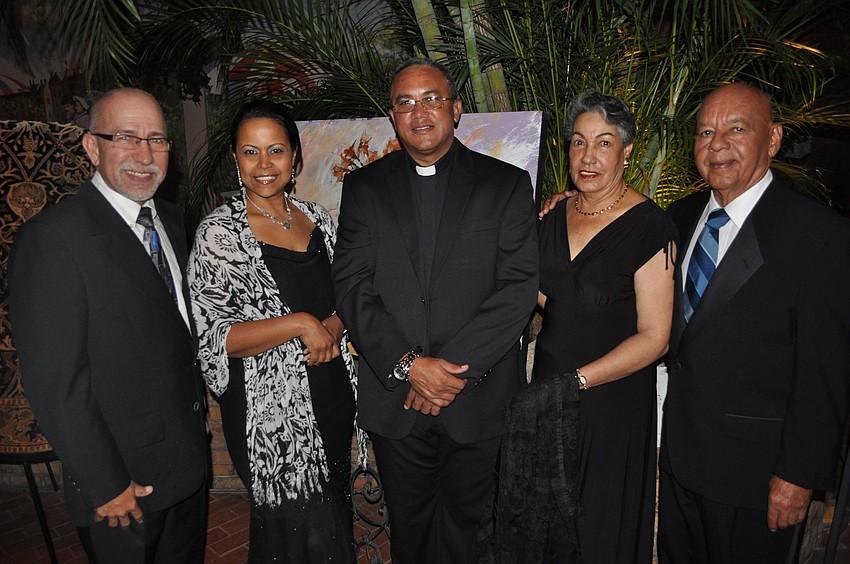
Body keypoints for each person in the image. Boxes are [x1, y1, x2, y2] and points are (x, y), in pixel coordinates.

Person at [331, 58, 539, 563]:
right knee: (411, 533)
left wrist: (447, 373)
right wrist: (411, 367)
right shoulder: (364, 188)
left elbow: (517, 289)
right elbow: (352, 285)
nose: (418, 111)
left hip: (479, 397)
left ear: (456, 109)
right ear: (392, 116)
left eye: (430, 98)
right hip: (396, 398)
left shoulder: (506, 185)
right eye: (405, 102)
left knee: (476, 535)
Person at [8, 87, 209, 563]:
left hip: (186, 468)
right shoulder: (53, 239)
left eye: (157, 139)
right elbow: (56, 384)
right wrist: (105, 483)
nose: (144, 155)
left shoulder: (171, 220)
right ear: (92, 146)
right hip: (124, 486)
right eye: (126, 137)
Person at [657, 83, 850, 563]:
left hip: (755, 478)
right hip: (679, 459)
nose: (716, 143)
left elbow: (824, 370)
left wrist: (799, 474)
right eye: (705, 131)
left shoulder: (818, 236)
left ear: (774, 139)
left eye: (736, 129)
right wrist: (569, 206)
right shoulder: (675, 220)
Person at [188, 99, 362, 563]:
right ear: (234, 158)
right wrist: (301, 324)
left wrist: (331, 326)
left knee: (332, 519)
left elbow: (348, 296)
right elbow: (215, 335)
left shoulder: (321, 220)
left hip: (330, 393)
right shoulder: (218, 234)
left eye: (276, 151)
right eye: (250, 152)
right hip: (266, 411)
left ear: (295, 157)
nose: (264, 165)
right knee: (295, 533)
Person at [505, 90, 675, 563]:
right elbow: (549, 295)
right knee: (547, 527)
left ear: (626, 151)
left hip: (609, 400)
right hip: (551, 390)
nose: (589, 156)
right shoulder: (553, 214)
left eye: (604, 143)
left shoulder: (650, 227)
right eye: (579, 142)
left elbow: (656, 337)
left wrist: (576, 382)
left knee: (598, 530)